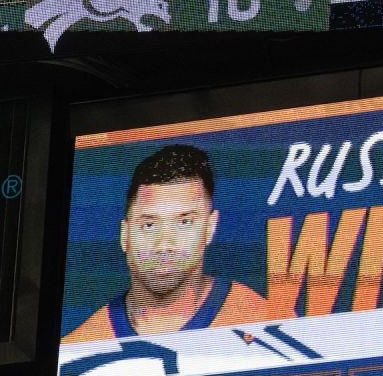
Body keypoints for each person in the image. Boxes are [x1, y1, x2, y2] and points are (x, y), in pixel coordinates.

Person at [62, 144, 269, 342]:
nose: (164, 245)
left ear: (209, 227)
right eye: (149, 225)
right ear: (125, 234)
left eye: (184, 222)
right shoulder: (80, 347)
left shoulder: (262, 326)